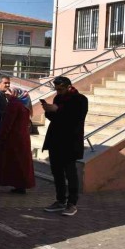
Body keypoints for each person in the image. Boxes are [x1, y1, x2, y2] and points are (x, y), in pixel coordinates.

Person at [41, 76, 88, 217]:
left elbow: (76, 118)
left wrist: (57, 109)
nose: (58, 92)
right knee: (57, 173)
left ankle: (72, 203)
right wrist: (49, 110)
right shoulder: (58, 98)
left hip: (70, 142)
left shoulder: (80, 99)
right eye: (56, 89)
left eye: (60, 89)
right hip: (56, 141)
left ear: (68, 87)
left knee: (70, 173)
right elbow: (55, 118)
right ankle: (60, 200)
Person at [0, 88, 36, 193]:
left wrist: (0, 137)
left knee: (0, 162)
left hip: (11, 139)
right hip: (23, 138)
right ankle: (21, 186)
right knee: (20, 163)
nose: (7, 94)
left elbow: (7, 123)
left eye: (10, 92)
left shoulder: (14, 104)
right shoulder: (25, 105)